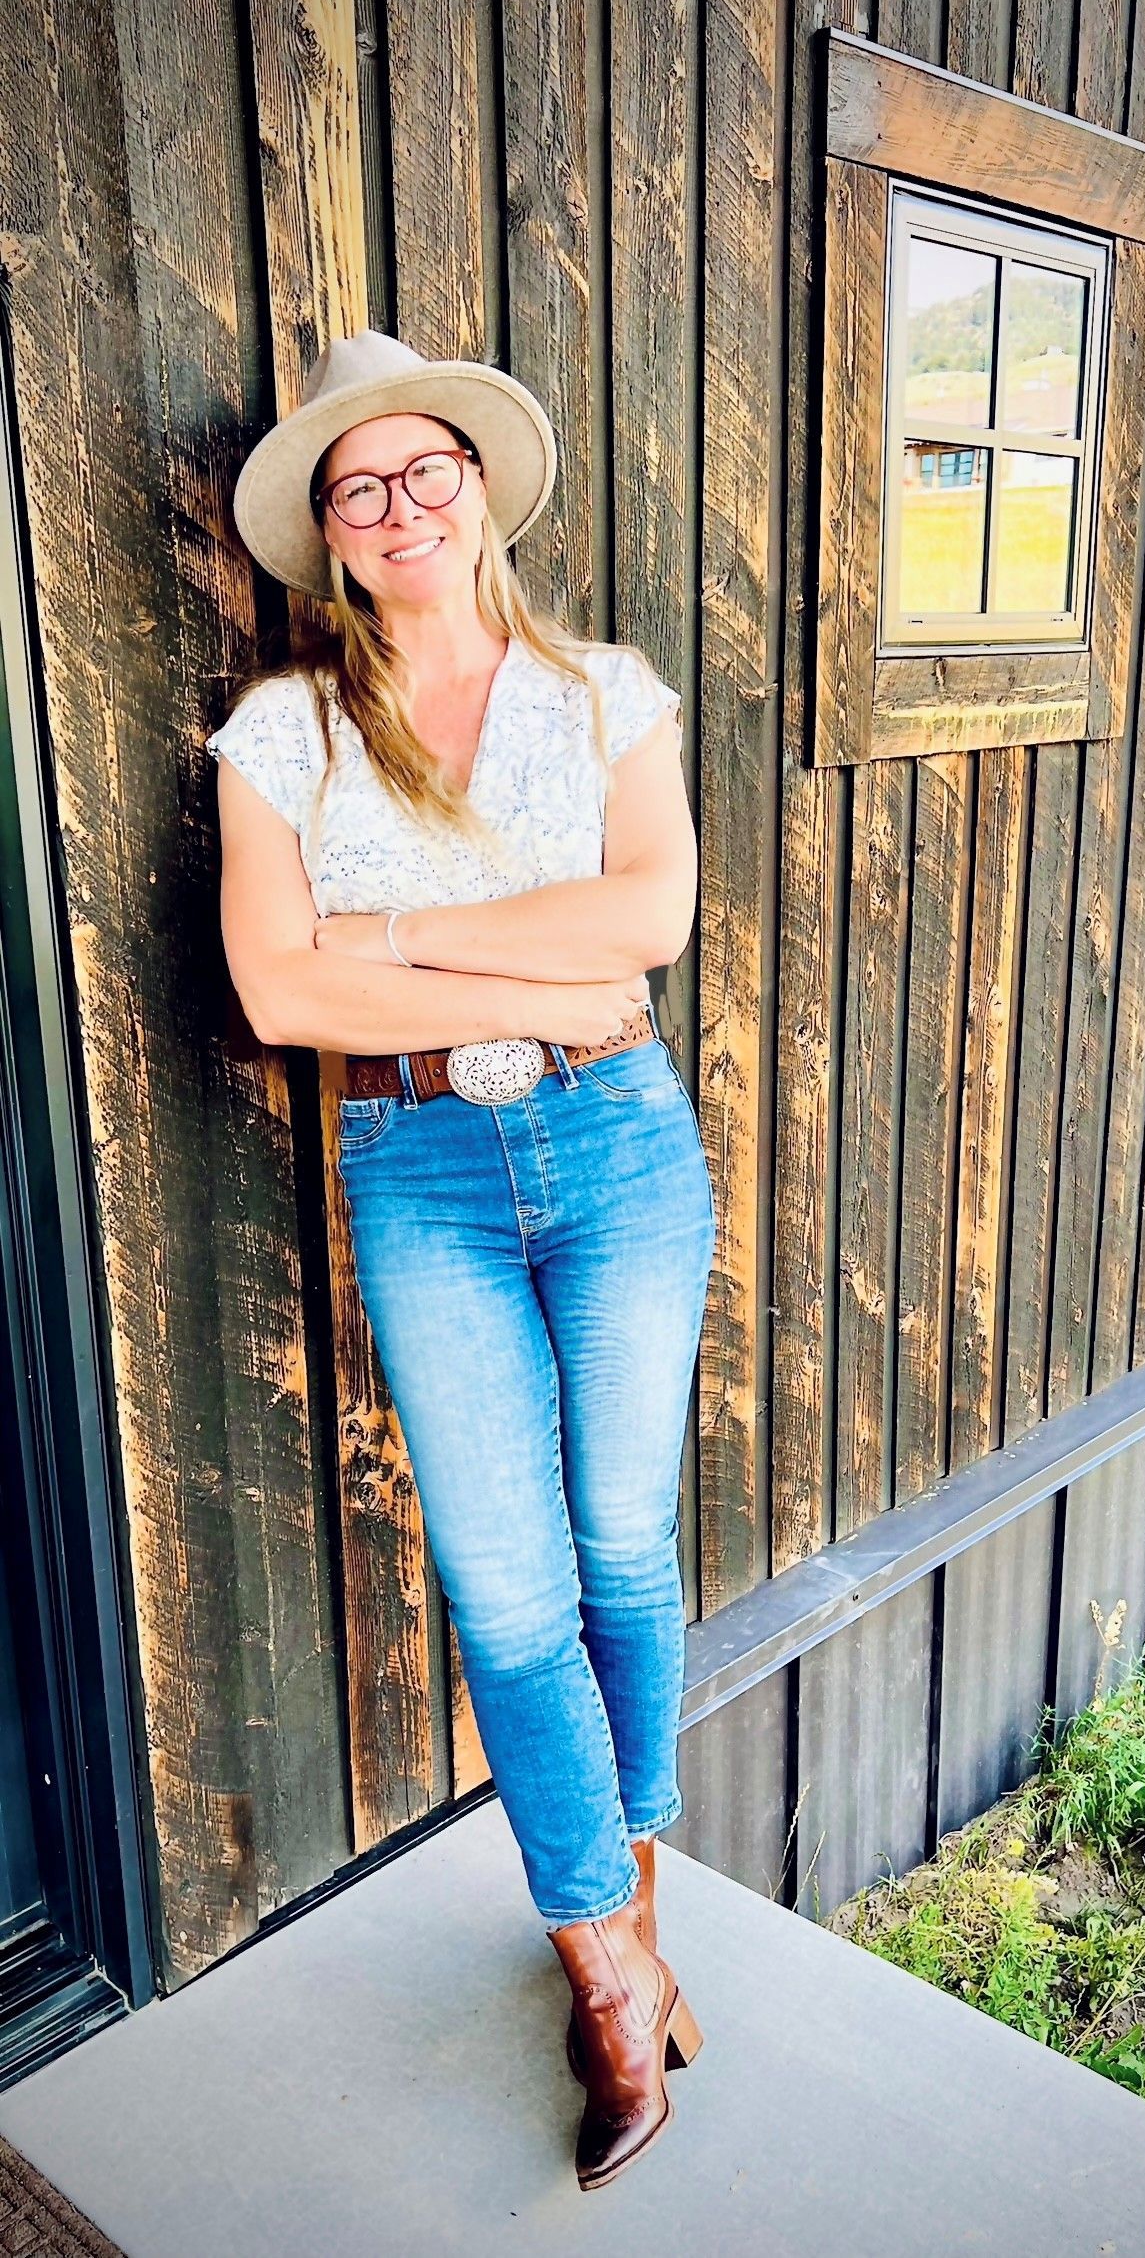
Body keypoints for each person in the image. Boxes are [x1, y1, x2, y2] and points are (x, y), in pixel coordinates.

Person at [205, 329, 716, 2192]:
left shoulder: (603, 694)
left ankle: (627, 1889)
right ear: (331, 534)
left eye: (427, 469)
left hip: (618, 1144)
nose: (401, 504)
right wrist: (532, 962)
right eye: (362, 487)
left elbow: (648, 917)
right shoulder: (283, 733)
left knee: (621, 1545)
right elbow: (279, 990)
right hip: (418, 1164)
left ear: (479, 490)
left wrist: (399, 935)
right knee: (506, 1587)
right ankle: (608, 1967)